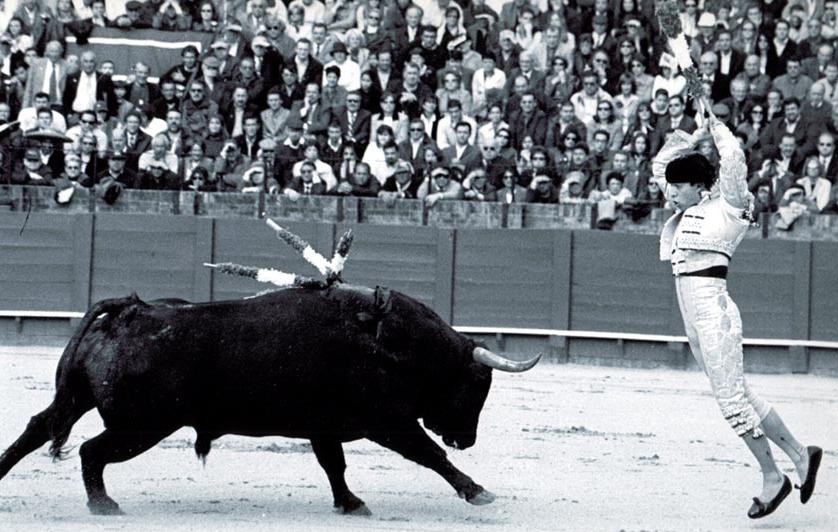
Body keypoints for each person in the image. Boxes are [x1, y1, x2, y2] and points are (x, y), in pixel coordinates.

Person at [653, 98, 822, 519]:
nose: (669, 191)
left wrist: (716, 126)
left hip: (714, 314)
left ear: (698, 186)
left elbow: (733, 159)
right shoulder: (688, 206)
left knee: (730, 401)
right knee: (741, 393)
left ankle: (772, 476)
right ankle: (801, 455)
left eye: (678, 186)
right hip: (694, 318)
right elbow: (662, 165)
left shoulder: (729, 207)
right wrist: (691, 135)